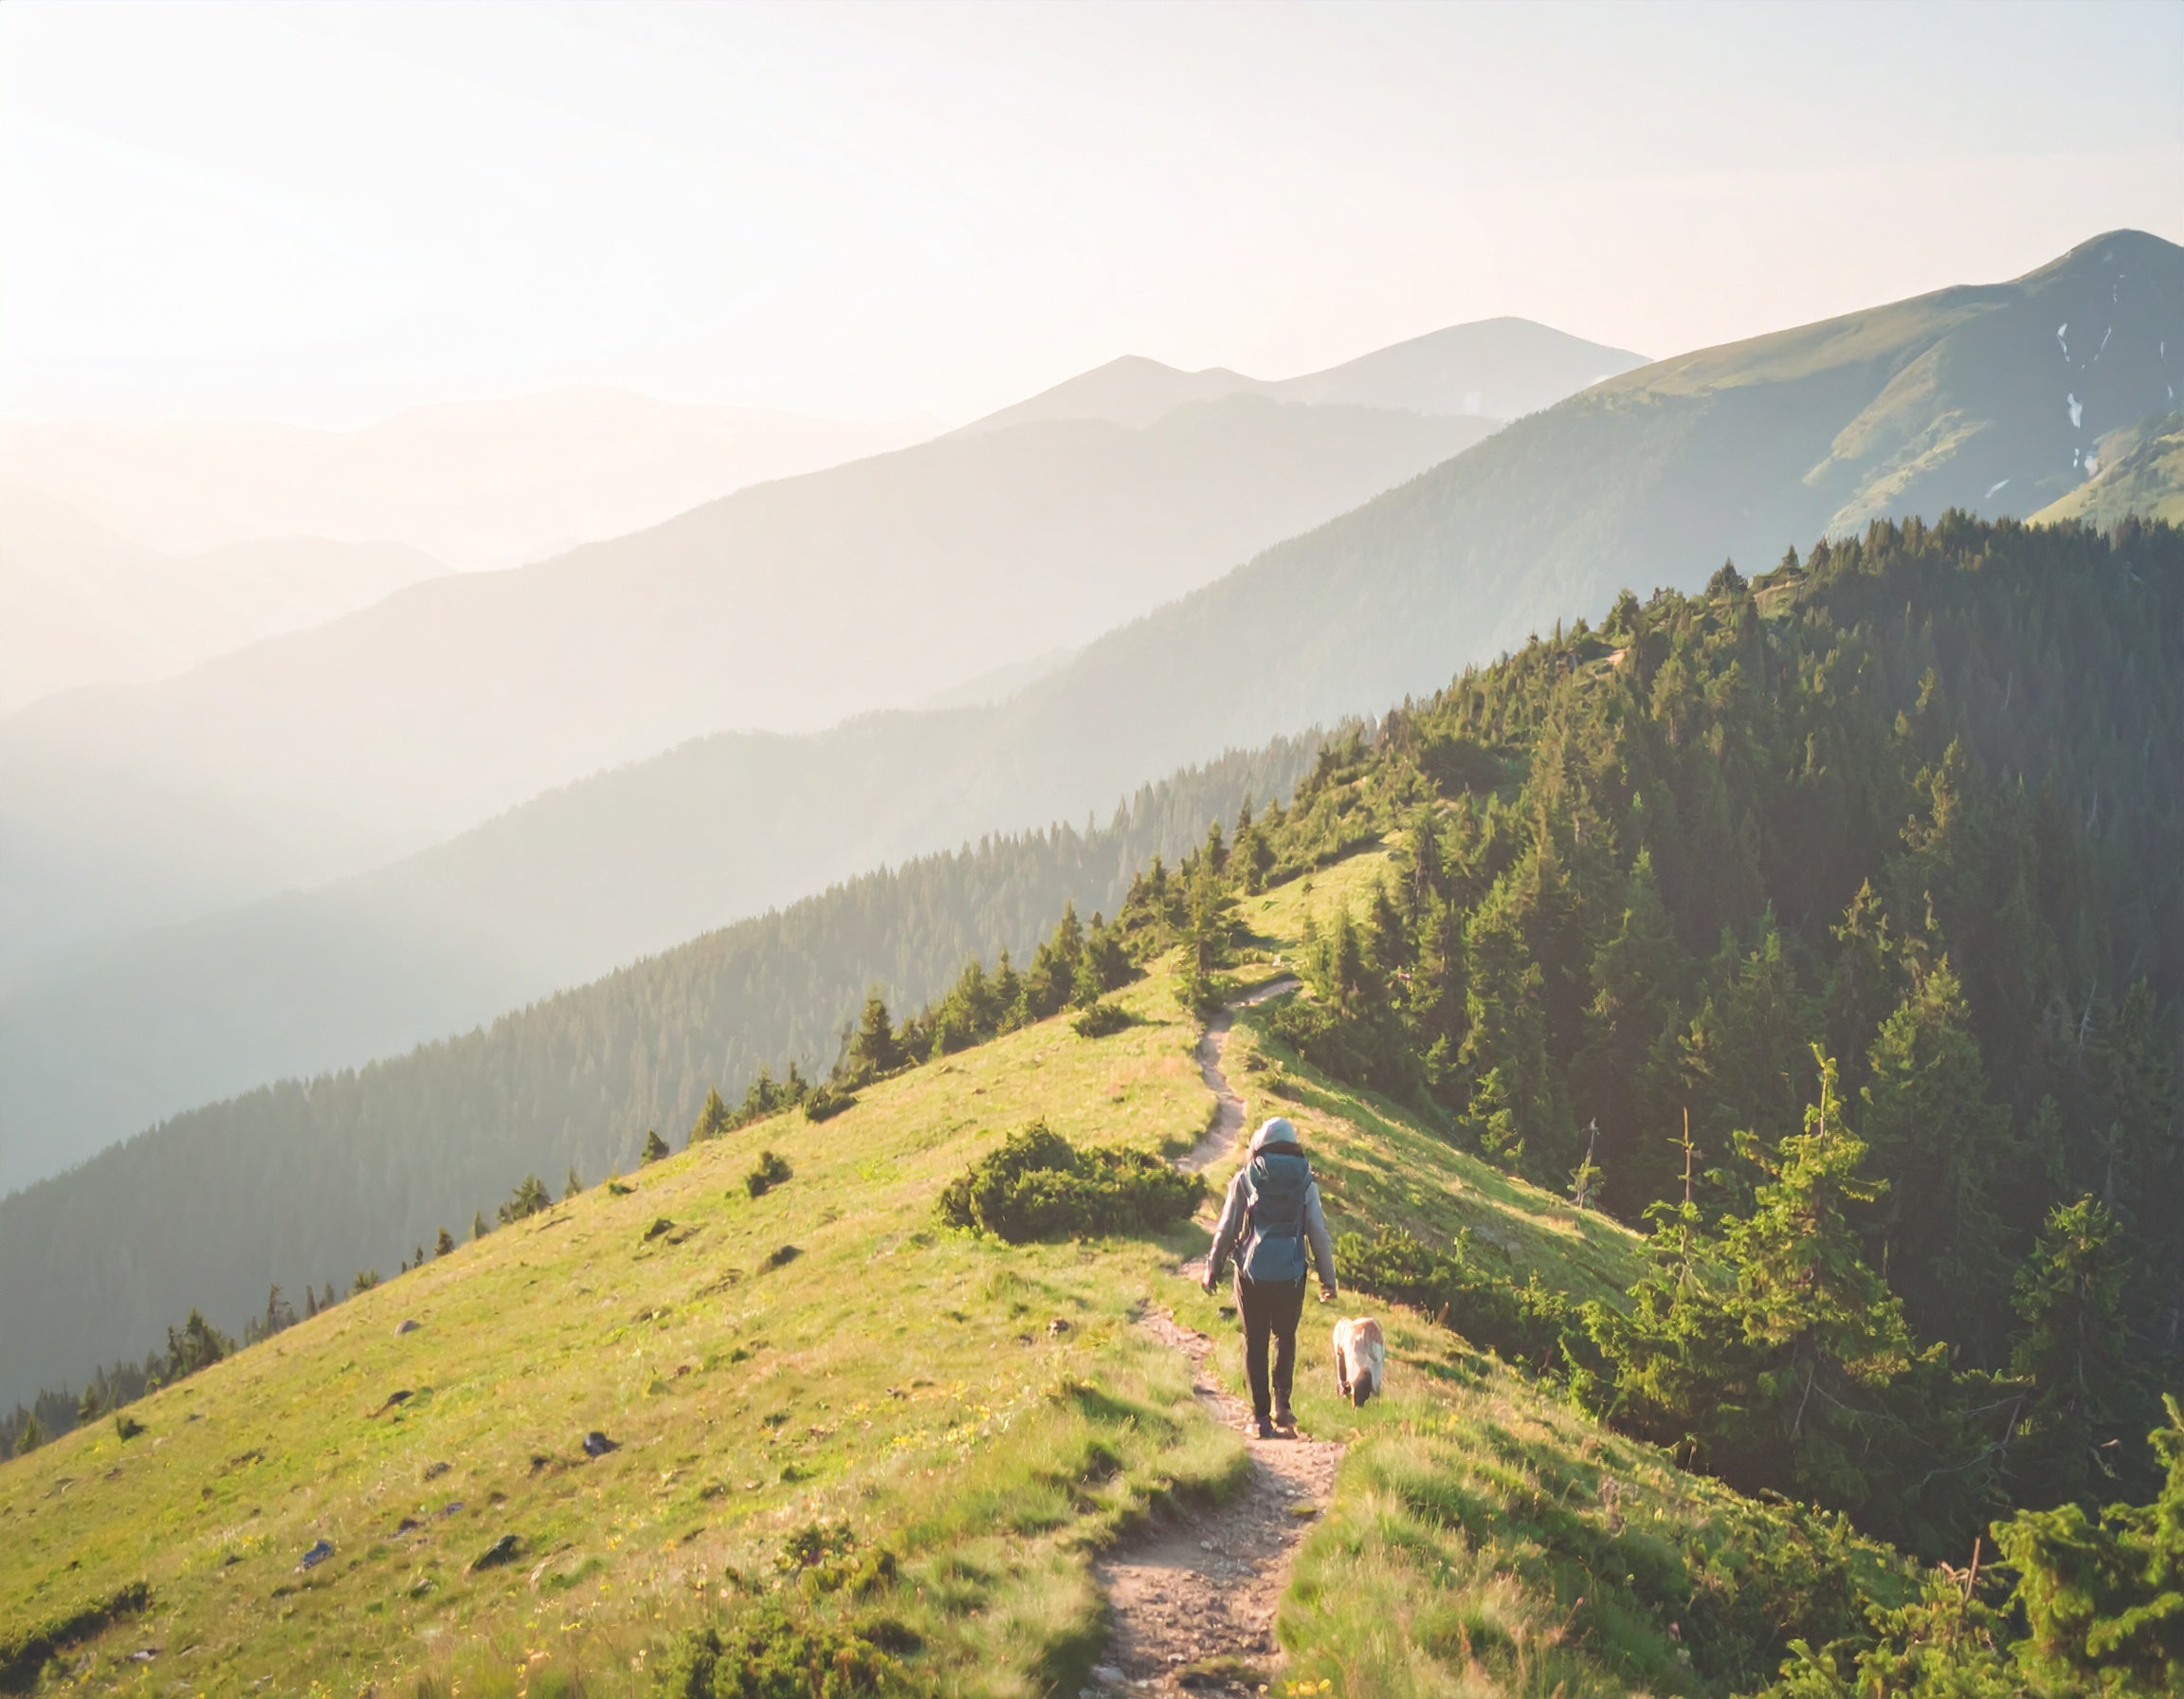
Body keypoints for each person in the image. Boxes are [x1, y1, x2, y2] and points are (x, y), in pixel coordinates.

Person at [1202, 1116, 1338, 1438]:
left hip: (1252, 1275)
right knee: (1285, 1338)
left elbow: (1227, 1228)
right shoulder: (1306, 1181)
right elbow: (1318, 1233)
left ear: (1259, 1144)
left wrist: (1212, 1266)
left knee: (1256, 1341)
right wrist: (1328, 1279)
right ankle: (1283, 1406)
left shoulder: (1246, 1177)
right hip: (1292, 1275)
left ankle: (1261, 1418)